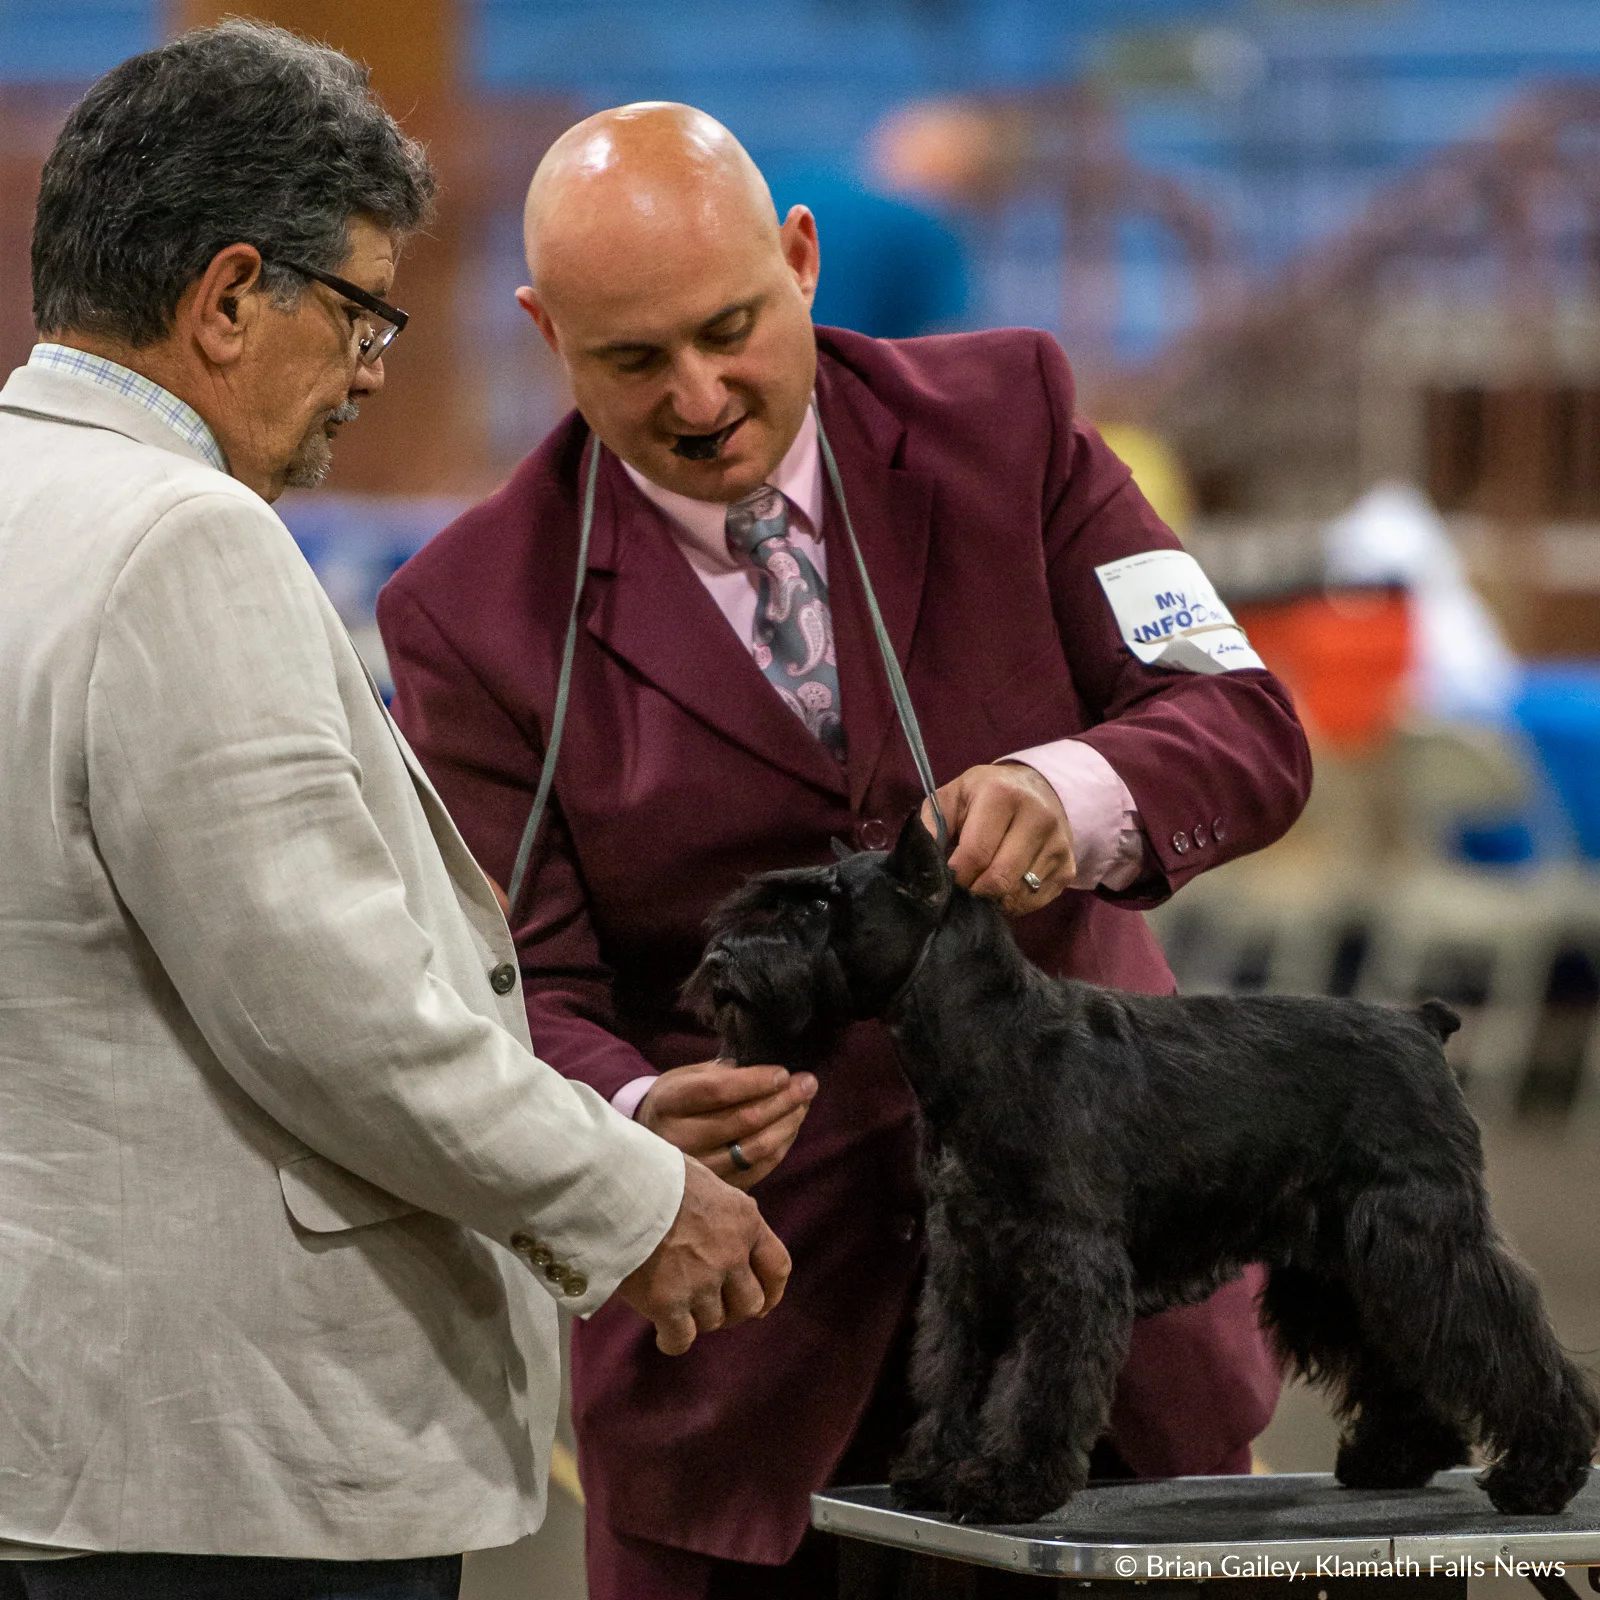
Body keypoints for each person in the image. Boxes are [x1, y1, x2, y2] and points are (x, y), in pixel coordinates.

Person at [378, 103, 1313, 1600]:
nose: (700, 397)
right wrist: (625, 1108)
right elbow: (505, 986)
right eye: (631, 360)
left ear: (802, 261)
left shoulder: (1012, 416)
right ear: (546, 333)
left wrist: (1070, 792)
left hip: (1108, 1341)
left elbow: (1241, 725)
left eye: (730, 328)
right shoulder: (467, 613)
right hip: (741, 1384)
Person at [0, 37, 787, 1600]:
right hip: (229, 1486)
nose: (372, 369)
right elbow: (332, 1016)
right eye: (358, 311)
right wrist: (630, 1202)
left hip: (61, 1456)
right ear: (231, 298)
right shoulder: (184, 541)